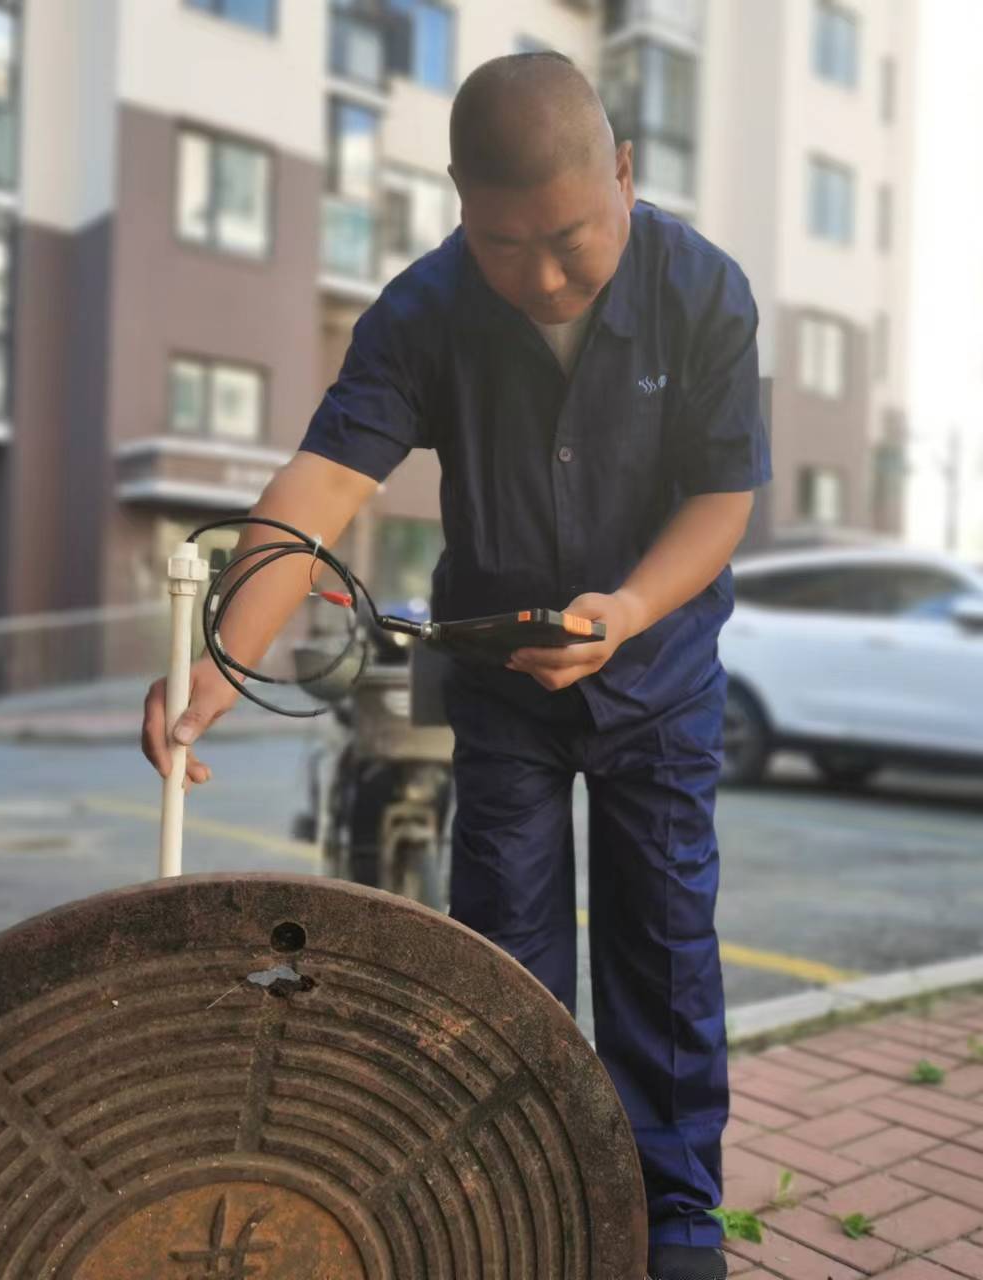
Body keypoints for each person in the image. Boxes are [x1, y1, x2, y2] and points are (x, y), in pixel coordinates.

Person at [142, 51, 769, 1280]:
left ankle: (675, 1220)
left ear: (623, 173)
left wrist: (627, 608)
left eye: (570, 240)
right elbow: (319, 487)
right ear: (457, 205)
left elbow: (720, 501)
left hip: (657, 671)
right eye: (501, 244)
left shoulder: (704, 290)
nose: (541, 277)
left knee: (660, 940)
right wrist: (218, 658)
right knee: (502, 946)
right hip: (495, 681)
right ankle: (521, 1201)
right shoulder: (423, 309)